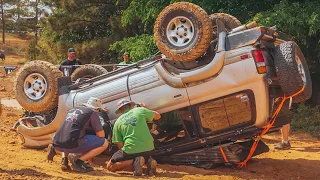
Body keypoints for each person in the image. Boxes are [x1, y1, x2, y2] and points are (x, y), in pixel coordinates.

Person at [47, 97, 109, 172]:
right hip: (72, 144)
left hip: (56, 142)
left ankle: (63, 159)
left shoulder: (73, 109)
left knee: (69, 134)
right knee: (104, 143)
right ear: (96, 109)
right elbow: (101, 135)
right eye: (99, 110)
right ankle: (79, 162)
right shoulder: (92, 112)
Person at [106, 99, 161, 176]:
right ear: (131, 106)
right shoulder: (140, 110)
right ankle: (147, 161)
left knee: (110, 167)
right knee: (140, 155)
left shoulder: (117, 122)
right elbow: (158, 116)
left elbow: (120, 145)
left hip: (131, 150)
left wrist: (128, 156)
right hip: (150, 148)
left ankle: (136, 161)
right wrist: (145, 109)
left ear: (120, 111)